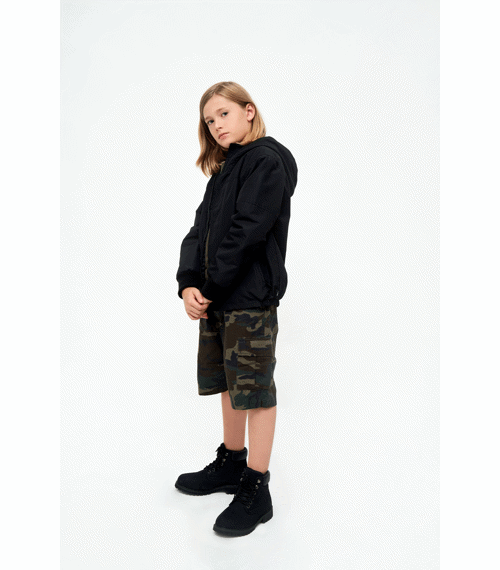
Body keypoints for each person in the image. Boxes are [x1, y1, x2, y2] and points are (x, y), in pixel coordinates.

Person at [175, 81, 298, 537]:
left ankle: (257, 488)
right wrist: (189, 283)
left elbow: (248, 231)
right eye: (209, 120)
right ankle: (231, 462)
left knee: (255, 390)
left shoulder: (266, 160)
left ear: (249, 111)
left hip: (248, 298)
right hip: (218, 298)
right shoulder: (223, 173)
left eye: (223, 114)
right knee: (229, 382)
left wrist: (211, 286)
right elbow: (198, 231)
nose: (216, 125)